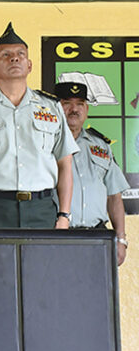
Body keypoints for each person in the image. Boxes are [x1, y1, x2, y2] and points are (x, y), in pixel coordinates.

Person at [0, 23, 79, 228]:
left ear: (29, 65)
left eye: (21, 54)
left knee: (41, 261)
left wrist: (64, 215)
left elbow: (65, 163)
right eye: (5, 55)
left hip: (41, 210)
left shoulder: (51, 106)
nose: (14, 58)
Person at [53, 81, 129, 265]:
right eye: (67, 103)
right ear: (55, 108)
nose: (74, 109)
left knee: (98, 292)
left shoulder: (100, 146)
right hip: (57, 236)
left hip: (98, 237)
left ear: (86, 109)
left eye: (79, 104)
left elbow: (114, 197)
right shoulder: (45, 144)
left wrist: (121, 239)